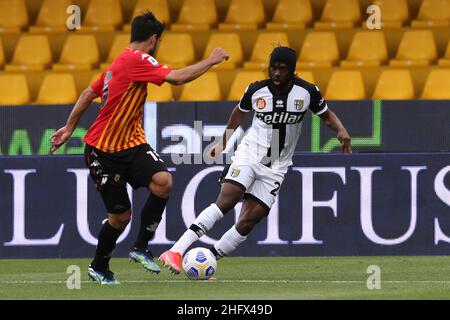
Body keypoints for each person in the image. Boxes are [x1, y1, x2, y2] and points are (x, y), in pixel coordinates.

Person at [50, 11, 229, 284]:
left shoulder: (118, 63)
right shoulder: (138, 59)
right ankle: (99, 266)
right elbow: (178, 78)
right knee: (120, 216)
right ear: (154, 38)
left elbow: (88, 93)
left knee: (163, 181)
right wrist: (212, 61)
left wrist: (69, 127)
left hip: (131, 144)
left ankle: (140, 247)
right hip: (102, 151)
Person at [159, 46, 352, 275]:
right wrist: (223, 143)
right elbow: (238, 113)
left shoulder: (307, 92)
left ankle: (209, 258)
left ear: (292, 70)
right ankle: (176, 251)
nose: (277, 73)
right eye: (273, 68)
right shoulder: (256, 91)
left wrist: (341, 130)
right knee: (227, 200)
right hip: (249, 155)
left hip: (276, 166)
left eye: (282, 69)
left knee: (249, 220)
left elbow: (326, 115)